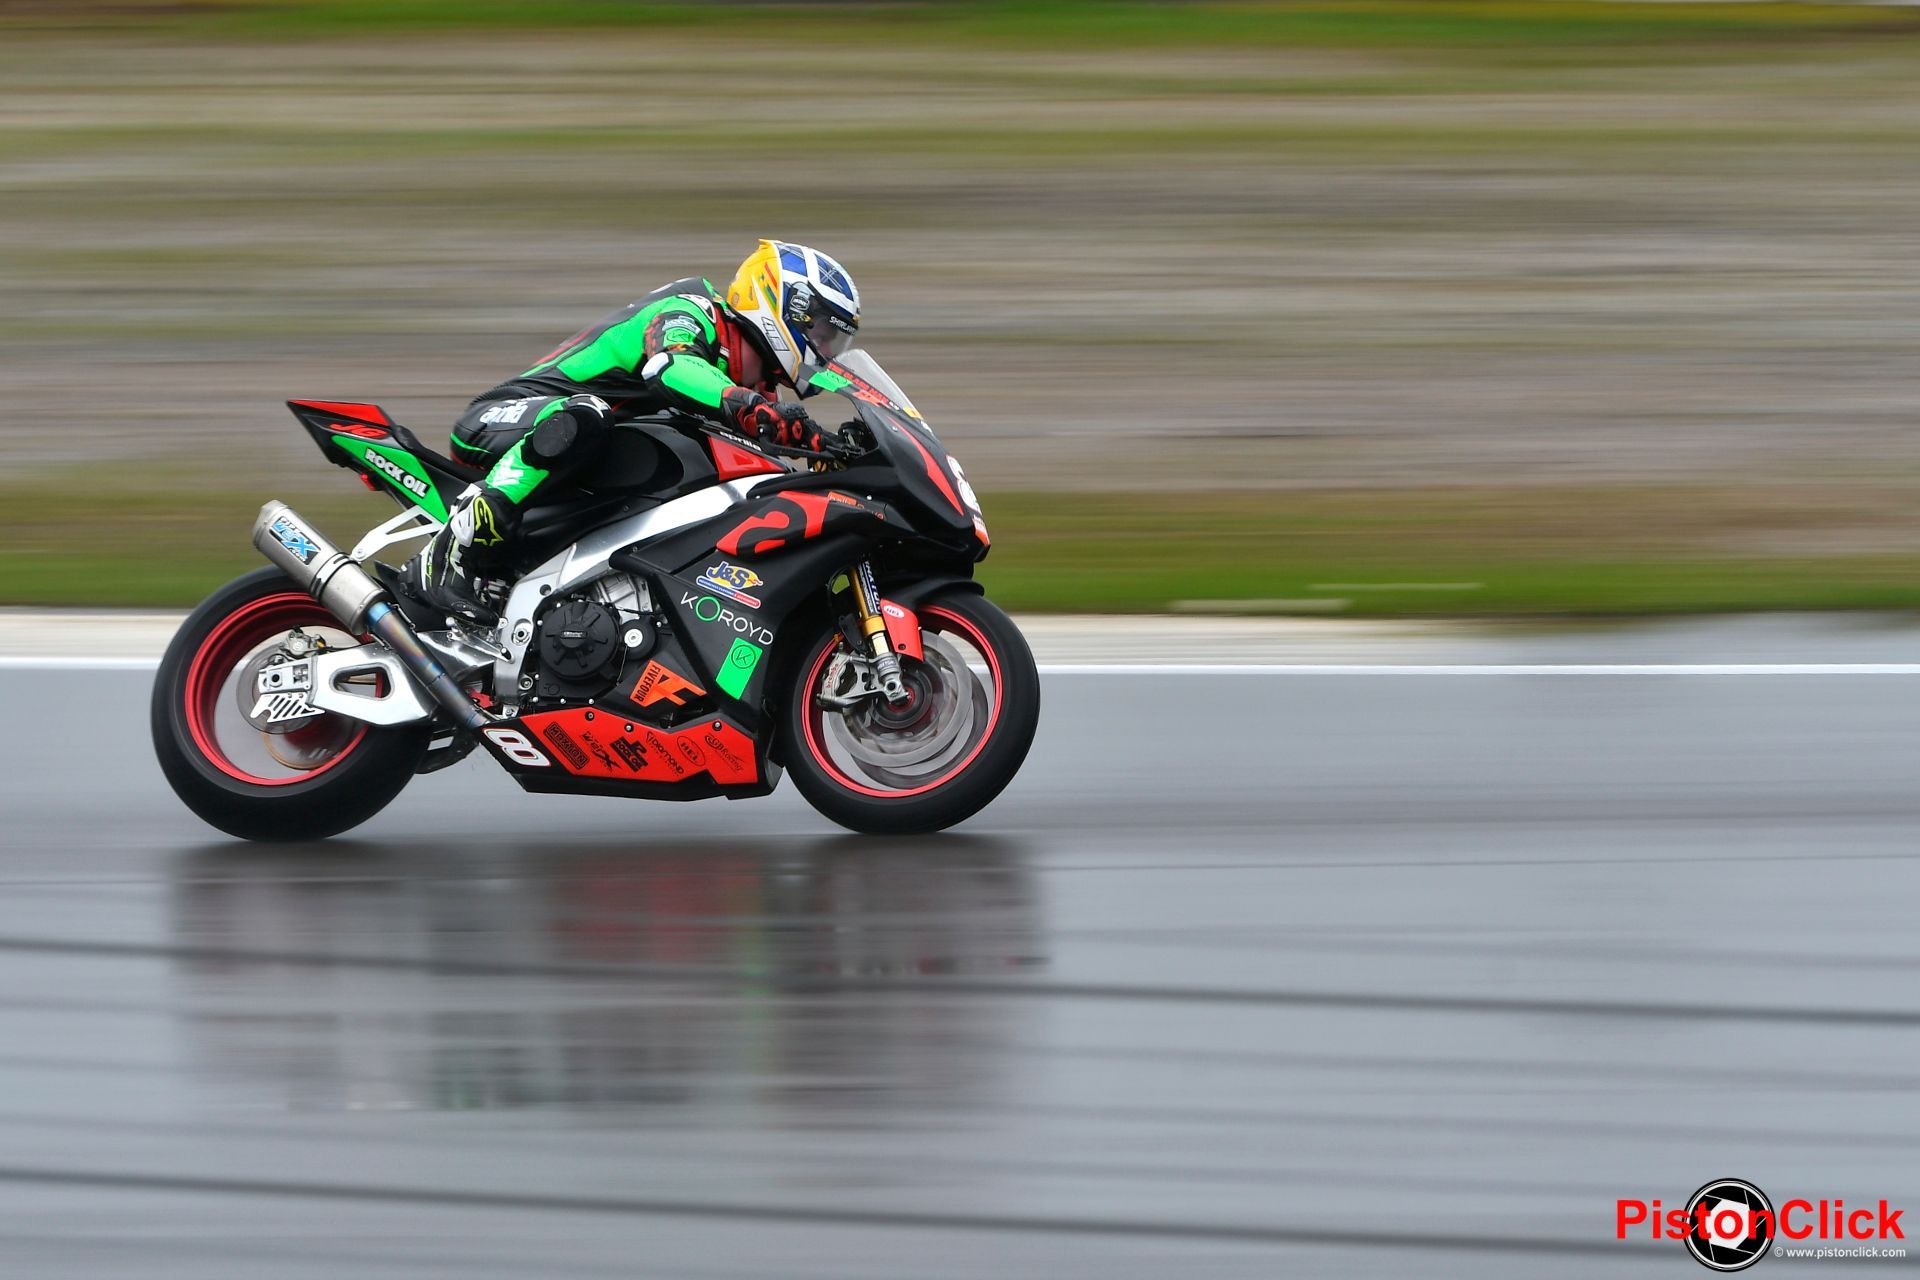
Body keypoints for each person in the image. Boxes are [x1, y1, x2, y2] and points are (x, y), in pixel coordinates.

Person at [406, 240, 862, 624]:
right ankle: (450, 552)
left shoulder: (756, 385)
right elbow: (672, 367)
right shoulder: (692, 311)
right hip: (502, 419)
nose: (825, 350)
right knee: (588, 414)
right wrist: (757, 411)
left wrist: (830, 447)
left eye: (834, 342)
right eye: (823, 333)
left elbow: (773, 440)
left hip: (578, 463)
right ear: (781, 303)